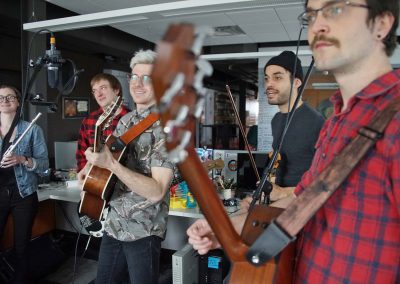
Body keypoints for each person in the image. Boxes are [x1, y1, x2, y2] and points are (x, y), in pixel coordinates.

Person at [188, 0, 400, 283]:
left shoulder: (394, 120)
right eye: (311, 15)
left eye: (335, 8)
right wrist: (228, 226)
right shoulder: (338, 121)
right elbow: (304, 199)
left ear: (381, 25)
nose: (317, 25)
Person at [78, 50, 174, 284]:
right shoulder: (126, 121)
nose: (138, 84)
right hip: (114, 222)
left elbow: (157, 191)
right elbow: (111, 163)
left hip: (143, 229)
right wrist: (92, 167)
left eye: (147, 78)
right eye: (134, 76)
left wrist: (110, 163)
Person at [0, 84, 49, 283]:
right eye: (1, 97)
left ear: (18, 102)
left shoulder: (32, 129)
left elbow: (44, 166)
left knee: (22, 247)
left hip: (24, 195)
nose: (4, 100)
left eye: (10, 97)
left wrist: (22, 159)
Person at [265, 50, 324, 200]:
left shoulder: (315, 122)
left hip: (302, 208)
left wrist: (283, 193)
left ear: (297, 82)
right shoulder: (276, 120)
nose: (269, 84)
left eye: (277, 77)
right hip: (276, 206)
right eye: (267, 78)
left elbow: (326, 180)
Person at [76, 73, 130, 177]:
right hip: (95, 182)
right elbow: (81, 155)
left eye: (103, 88)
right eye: (95, 91)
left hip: (124, 182)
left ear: (116, 90)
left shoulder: (131, 119)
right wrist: (84, 179)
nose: (98, 94)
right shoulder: (88, 120)